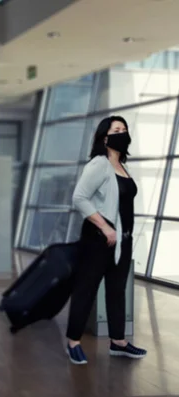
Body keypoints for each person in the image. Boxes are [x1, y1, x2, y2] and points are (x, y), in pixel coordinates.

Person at [66, 115, 147, 365]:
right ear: (105, 137)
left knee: (116, 290)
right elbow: (79, 197)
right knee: (86, 290)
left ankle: (118, 341)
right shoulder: (99, 164)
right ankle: (73, 343)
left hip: (122, 239)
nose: (122, 133)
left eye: (125, 129)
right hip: (98, 239)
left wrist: (119, 233)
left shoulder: (121, 166)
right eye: (116, 130)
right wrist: (105, 227)